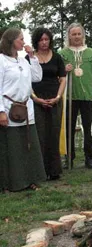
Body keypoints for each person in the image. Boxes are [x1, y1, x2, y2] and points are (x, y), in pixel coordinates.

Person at [0, 27, 46, 192]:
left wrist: (32, 57)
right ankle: (9, 183)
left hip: (26, 108)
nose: (23, 41)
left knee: (28, 146)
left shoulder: (23, 61)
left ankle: (29, 180)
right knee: (10, 148)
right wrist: (1, 112)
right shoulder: (1, 60)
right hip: (8, 107)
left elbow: (37, 77)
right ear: (11, 41)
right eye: (20, 38)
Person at [59, 23, 92, 169]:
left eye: (79, 34)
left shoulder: (91, 53)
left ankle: (89, 157)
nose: (76, 37)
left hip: (88, 96)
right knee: (68, 127)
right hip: (69, 96)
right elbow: (57, 74)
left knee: (89, 126)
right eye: (73, 34)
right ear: (69, 36)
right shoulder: (63, 54)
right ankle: (68, 157)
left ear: (83, 35)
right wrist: (64, 70)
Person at [28, 27, 66, 180]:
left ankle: (54, 170)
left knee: (53, 134)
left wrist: (58, 96)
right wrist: (35, 98)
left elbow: (63, 78)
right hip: (36, 100)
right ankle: (41, 171)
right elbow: (25, 81)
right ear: (36, 41)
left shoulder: (57, 57)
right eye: (41, 40)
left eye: (46, 39)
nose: (44, 42)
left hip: (55, 99)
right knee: (40, 135)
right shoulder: (29, 58)